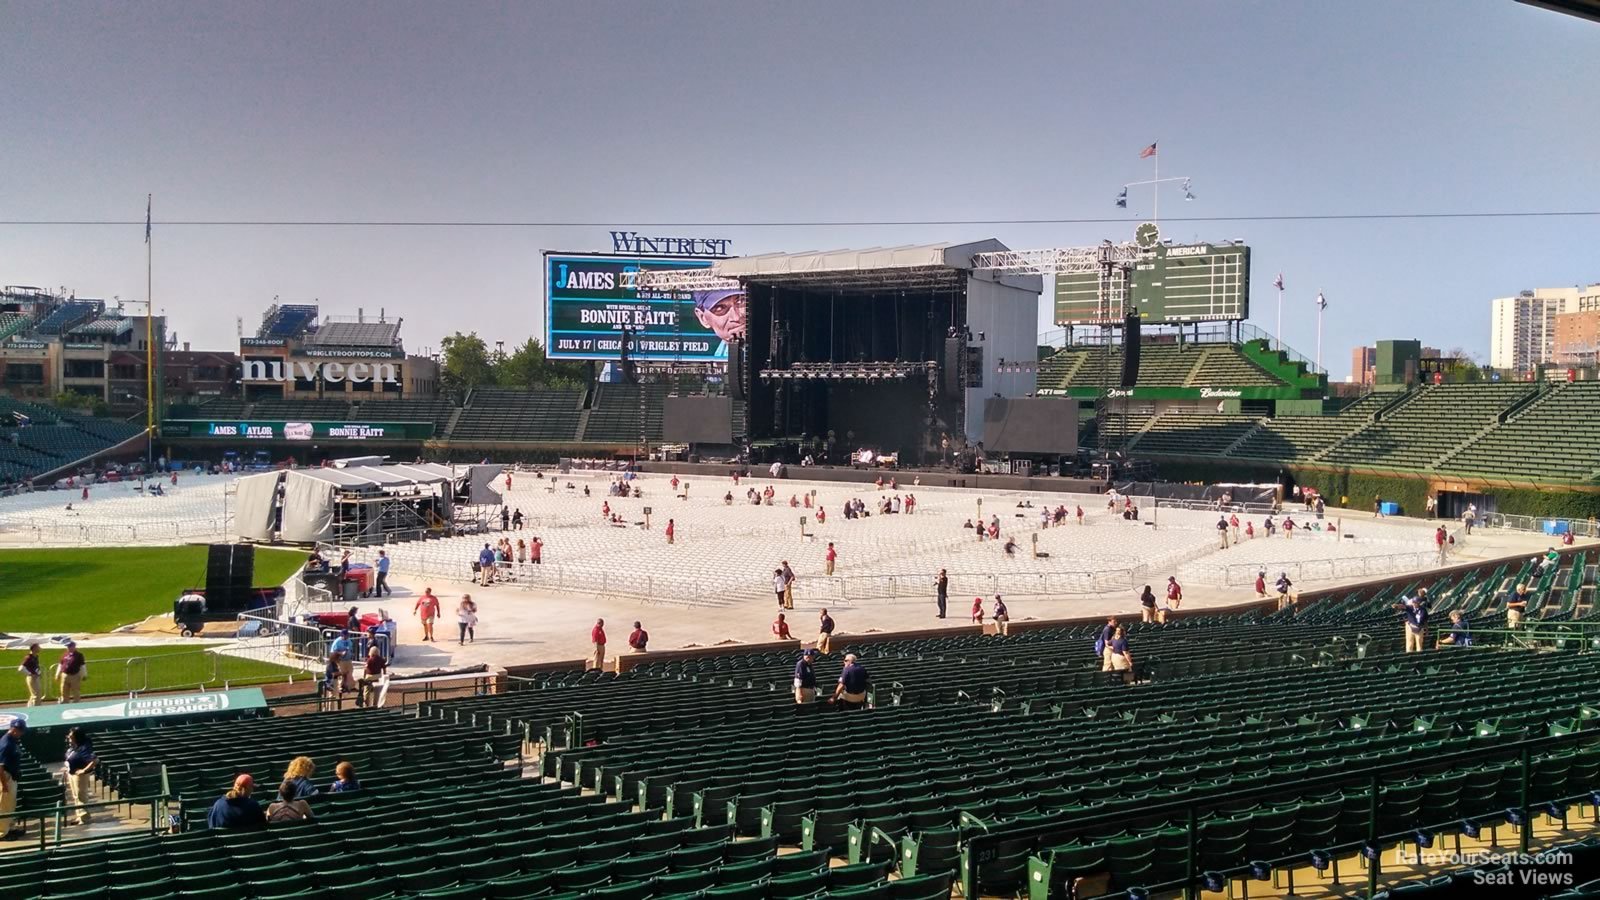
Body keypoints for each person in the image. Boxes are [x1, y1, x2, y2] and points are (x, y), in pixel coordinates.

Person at [0, 719, 24, 839]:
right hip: (5, 777)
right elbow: (0, 766)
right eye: (20, 730)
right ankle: (2, 833)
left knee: (10, 805)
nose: (21, 733)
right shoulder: (6, 743)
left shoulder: (12, 741)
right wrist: (4, 784)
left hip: (11, 776)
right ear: (13, 729)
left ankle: (9, 827)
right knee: (4, 806)